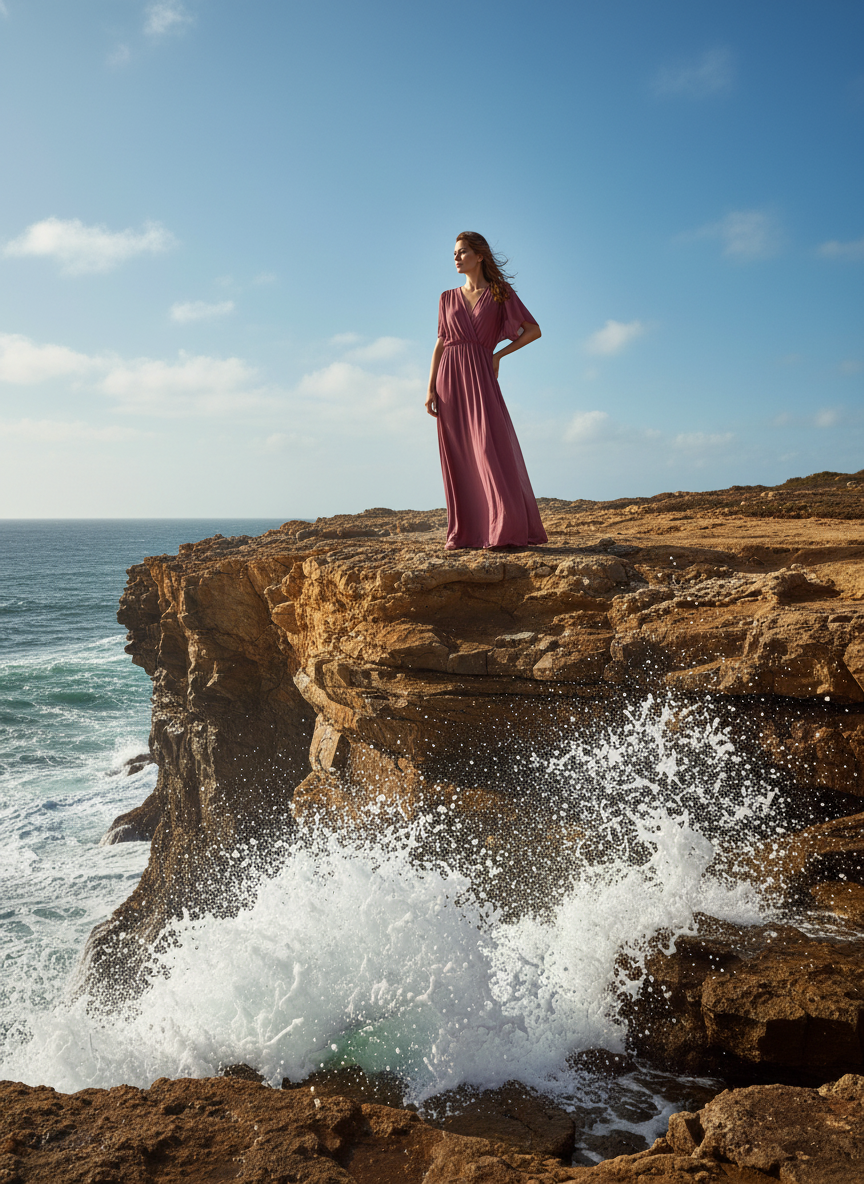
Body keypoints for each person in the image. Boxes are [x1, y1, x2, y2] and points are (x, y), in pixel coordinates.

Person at [426, 232, 548, 551]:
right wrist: (430, 388)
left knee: (488, 448)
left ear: (479, 256)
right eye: (454, 253)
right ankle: (466, 534)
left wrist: (497, 355)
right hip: (449, 379)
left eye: (462, 251)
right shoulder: (446, 298)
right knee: (459, 455)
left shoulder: (499, 292)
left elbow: (533, 330)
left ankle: (503, 528)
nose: (456, 257)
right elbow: (440, 343)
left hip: (480, 375)